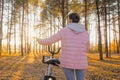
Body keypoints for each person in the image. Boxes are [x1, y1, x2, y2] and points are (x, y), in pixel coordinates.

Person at [37, 12, 90, 80]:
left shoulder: (64, 31)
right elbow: (87, 49)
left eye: (68, 19)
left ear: (70, 20)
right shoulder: (85, 32)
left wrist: (39, 40)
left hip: (67, 62)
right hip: (81, 62)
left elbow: (51, 40)